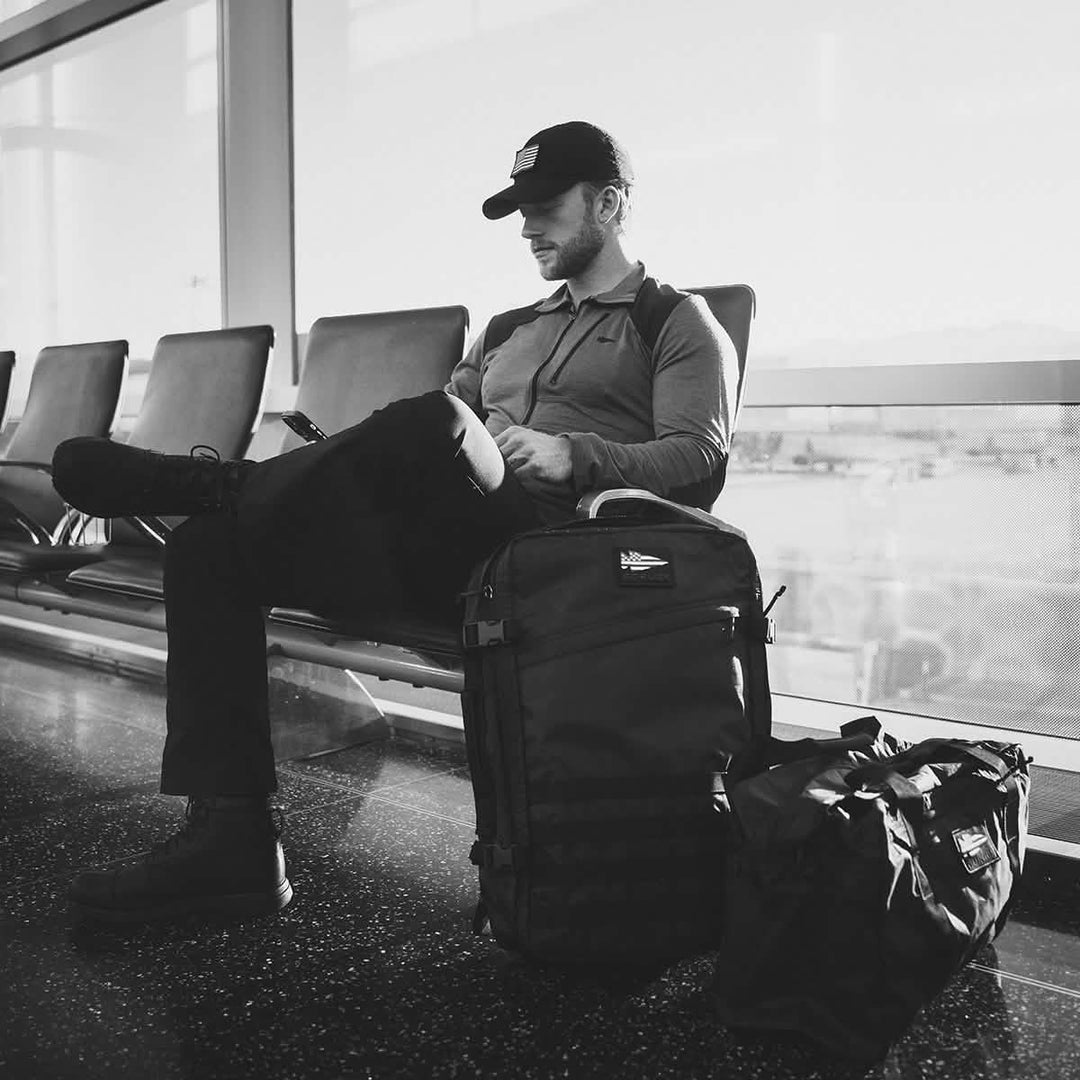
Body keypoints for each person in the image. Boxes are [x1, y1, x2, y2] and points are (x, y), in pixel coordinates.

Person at [52, 120, 738, 924]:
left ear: (610, 204)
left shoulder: (673, 322)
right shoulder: (509, 330)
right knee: (211, 547)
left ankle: (225, 483)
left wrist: (573, 454)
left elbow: (699, 460)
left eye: (546, 207)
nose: (527, 227)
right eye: (521, 211)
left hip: (548, 561)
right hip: (443, 550)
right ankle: (230, 840)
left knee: (435, 422)